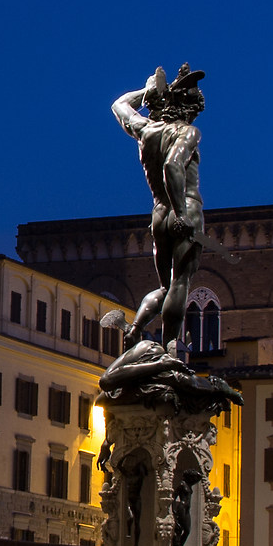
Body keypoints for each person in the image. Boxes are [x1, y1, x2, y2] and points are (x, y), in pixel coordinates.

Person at [113, 65, 206, 349]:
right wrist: (181, 213)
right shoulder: (188, 132)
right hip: (184, 209)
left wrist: (147, 92)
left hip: (158, 213)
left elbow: (119, 105)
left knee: (166, 287)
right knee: (179, 284)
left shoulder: (145, 130)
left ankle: (136, 328)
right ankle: (170, 350)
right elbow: (172, 165)